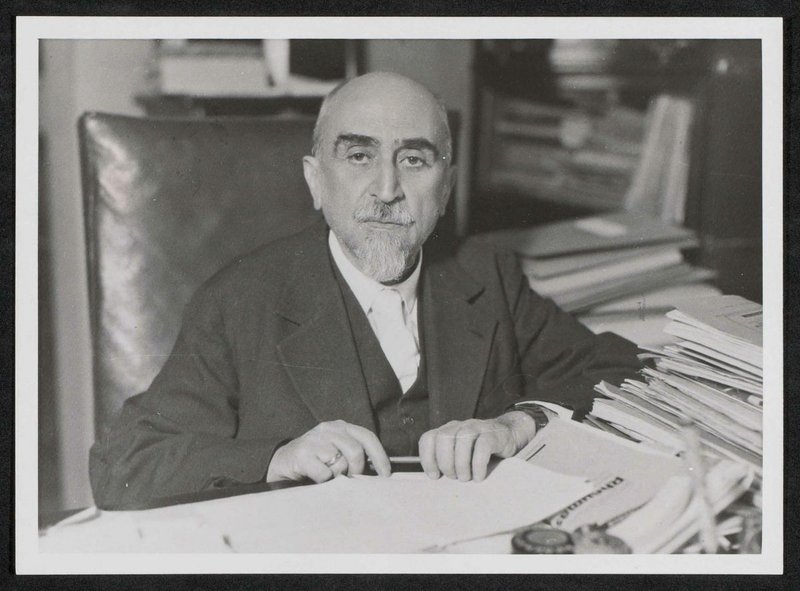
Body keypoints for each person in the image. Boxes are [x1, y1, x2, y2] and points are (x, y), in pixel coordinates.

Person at [89, 72, 641, 508]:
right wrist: (277, 458)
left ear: (445, 188)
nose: (387, 188)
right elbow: (124, 465)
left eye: (414, 160)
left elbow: (623, 371)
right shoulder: (240, 300)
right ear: (315, 180)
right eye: (359, 156)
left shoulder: (485, 276)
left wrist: (516, 424)